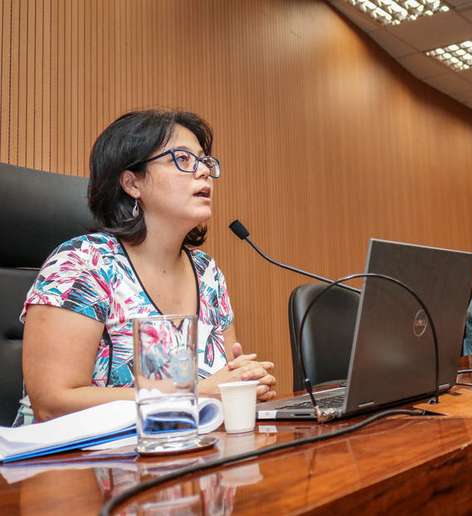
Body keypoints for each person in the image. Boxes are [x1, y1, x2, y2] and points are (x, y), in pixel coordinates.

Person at [16, 110, 277, 425]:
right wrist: (196, 393)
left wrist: (243, 383)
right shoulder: (83, 264)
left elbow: (222, 381)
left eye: (205, 162)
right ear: (131, 183)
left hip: (182, 449)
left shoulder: (207, 273)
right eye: (182, 159)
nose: (204, 172)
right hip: (70, 463)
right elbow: (53, 402)